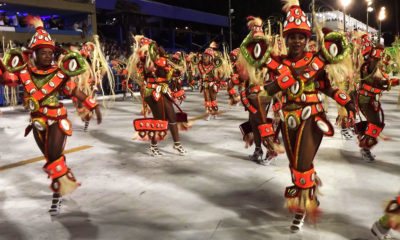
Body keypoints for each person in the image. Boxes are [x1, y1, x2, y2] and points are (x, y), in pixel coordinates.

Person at [237, 0, 356, 232]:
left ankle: (301, 209)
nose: (297, 41)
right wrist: (261, 105)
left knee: (301, 165)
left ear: (308, 38)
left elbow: (327, 87)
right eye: (292, 37)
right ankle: (308, 193)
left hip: (312, 118)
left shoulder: (317, 61)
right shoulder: (277, 63)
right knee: (296, 165)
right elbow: (265, 92)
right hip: (287, 120)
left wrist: (347, 102)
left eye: (301, 37)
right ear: (286, 39)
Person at [0, 15, 102, 215]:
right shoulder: (24, 72)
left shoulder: (60, 73)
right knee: (50, 158)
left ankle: (59, 191)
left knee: (54, 155)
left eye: (50, 53)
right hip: (37, 121)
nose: (48, 56)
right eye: (43, 53)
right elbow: (7, 80)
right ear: (34, 54)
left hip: (57, 120)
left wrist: (91, 103)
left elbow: (73, 90)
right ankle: (60, 189)